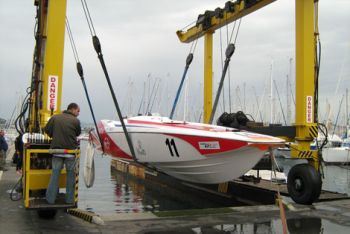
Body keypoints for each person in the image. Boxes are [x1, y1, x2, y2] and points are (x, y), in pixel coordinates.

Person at [44, 103, 81, 204]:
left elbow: (46, 129)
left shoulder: (55, 117)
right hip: (70, 152)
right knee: (70, 177)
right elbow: (77, 133)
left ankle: (50, 199)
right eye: (78, 111)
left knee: (55, 175)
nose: (78, 113)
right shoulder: (76, 121)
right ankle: (69, 200)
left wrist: (54, 135)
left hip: (56, 152)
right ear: (72, 109)